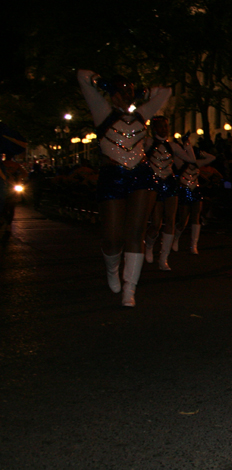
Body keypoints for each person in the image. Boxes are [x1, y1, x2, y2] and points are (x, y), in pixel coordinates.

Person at [77, 70, 172, 307]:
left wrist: (142, 92)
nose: (127, 96)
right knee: (111, 238)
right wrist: (105, 83)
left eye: (130, 91)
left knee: (135, 232)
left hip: (140, 174)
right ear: (112, 93)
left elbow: (166, 92)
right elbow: (81, 76)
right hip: (112, 174)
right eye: (123, 91)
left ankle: (130, 287)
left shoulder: (142, 114)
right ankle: (112, 268)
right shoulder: (102, 111)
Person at [143, 116, 193, 271]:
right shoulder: (149, 143)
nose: (164, 129)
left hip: (169, 183)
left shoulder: (173, 145)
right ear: (154, 128)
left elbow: (191, 159)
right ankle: (149, 245)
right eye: (161, 126)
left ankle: (164, 258)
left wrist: (186, 144)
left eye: (166, 126)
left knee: (170, 220)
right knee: (156, 223)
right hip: (154, 183)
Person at [172, 136, 216, 254]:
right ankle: (176, 238)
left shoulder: (198, 163)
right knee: (183, 220)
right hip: (184, 190)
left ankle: (194, 245)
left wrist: (200, 152)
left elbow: (212, 158)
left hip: (195, 190)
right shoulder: (180, 162)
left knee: (196, 217)